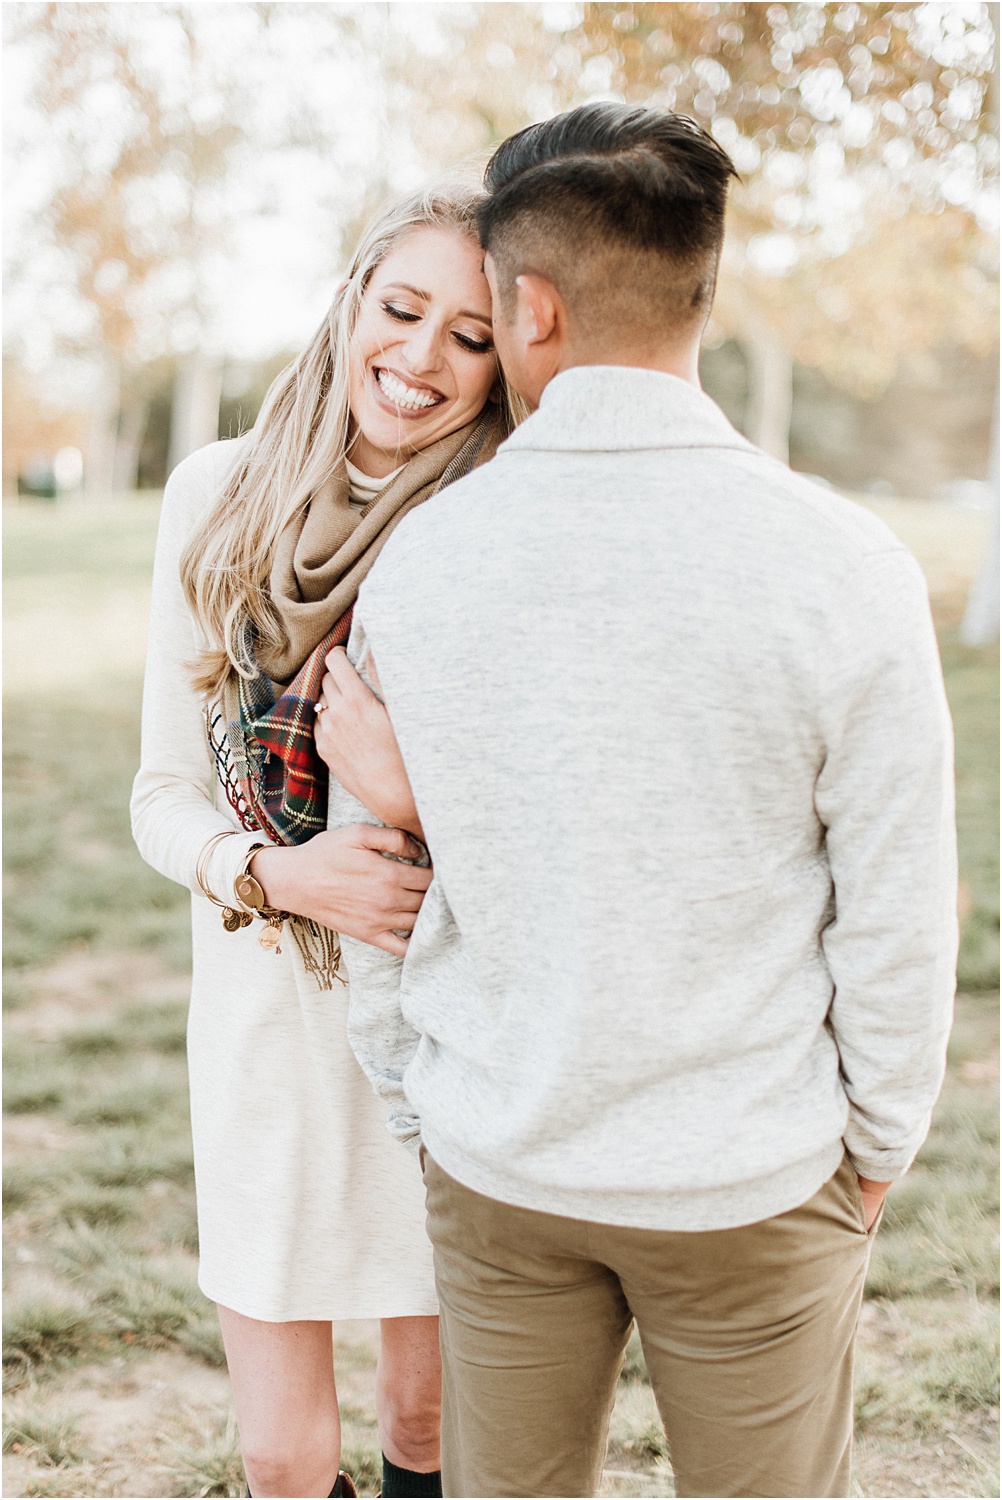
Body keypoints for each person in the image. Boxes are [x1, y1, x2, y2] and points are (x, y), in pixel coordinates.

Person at [314, 104, 958, 1499]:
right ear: (700, 296)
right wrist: (878, 1143)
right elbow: (900, 902)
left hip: (500, 1161)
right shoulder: (843, 562)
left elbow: (371, 859)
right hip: (755, 1179)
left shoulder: (420, 567)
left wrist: (413, 1096)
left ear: (526, 305)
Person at [130, 183, 517, 1500]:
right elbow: (160, 791)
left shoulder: (496, 520)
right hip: (267, 1032)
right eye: (400, 310)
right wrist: (271, 871)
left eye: (468, 337)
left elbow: (547, 811)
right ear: (352, 301)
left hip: (438, 1030)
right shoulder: (215, 497)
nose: (417, 360)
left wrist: (409, 801)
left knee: (430, 1420)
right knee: (282, 1458)